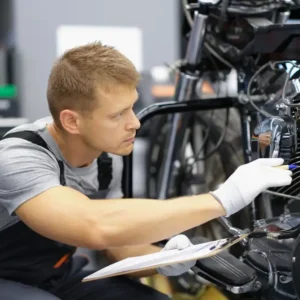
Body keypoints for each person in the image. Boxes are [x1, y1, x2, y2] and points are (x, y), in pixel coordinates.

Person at [0, 42, 292, 300]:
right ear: (72, 122)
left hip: (57, 274)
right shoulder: (20, 157)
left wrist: (163, 259)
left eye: (132, 108)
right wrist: (222, 200)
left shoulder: (106, 158)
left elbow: (118, 246)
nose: (135, 123)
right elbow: (92, 225)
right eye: (117, 115)